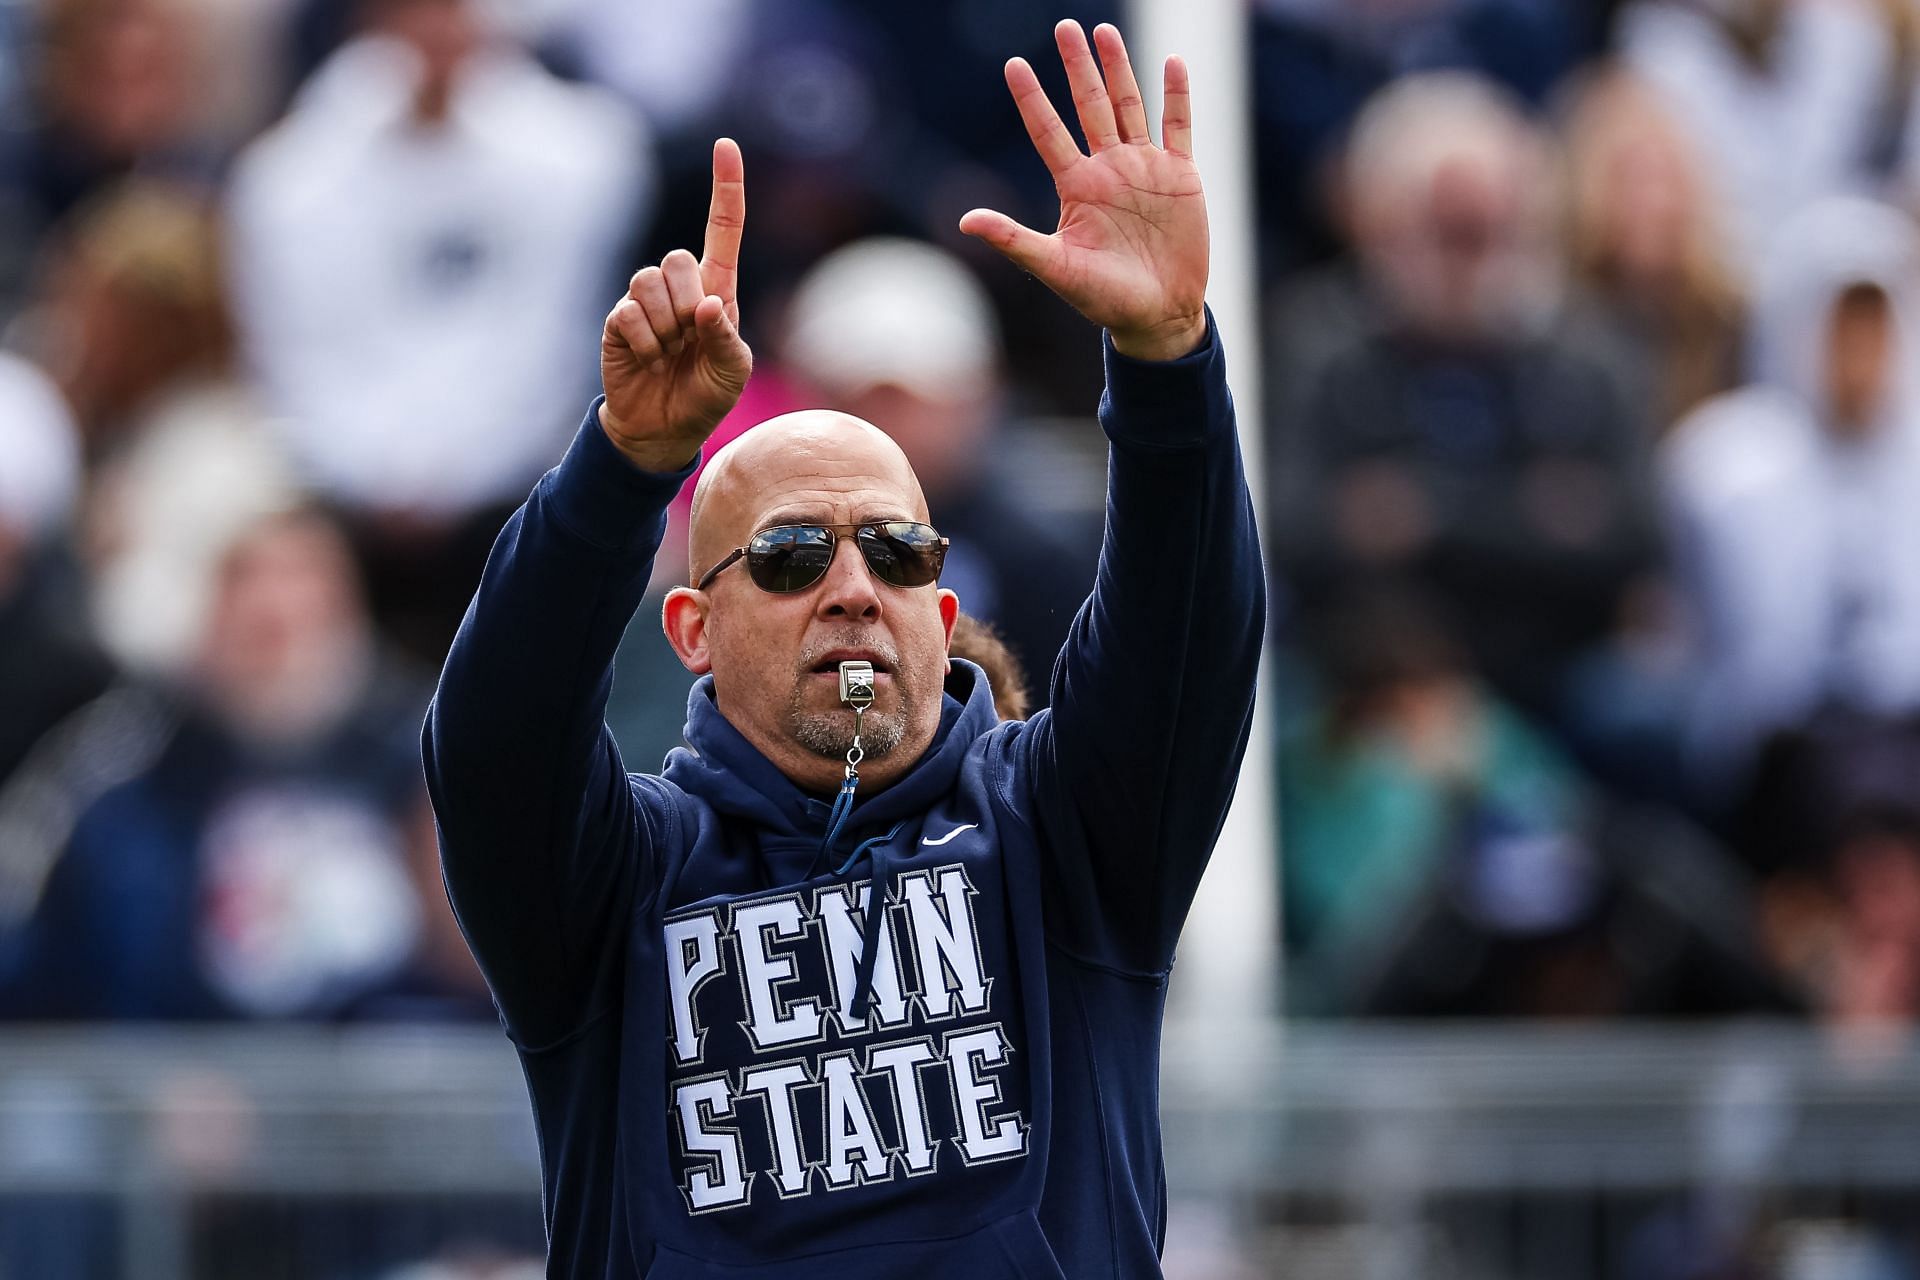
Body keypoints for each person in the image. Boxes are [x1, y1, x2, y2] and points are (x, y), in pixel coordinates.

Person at [423, 19, 1261, 1277]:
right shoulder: (619, 883)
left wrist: (1165, 363)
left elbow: (1187, 633)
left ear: (940, 603)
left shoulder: (1063, 835)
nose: (855, 588)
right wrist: (621, 469)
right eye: (791, 555)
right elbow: (493, 738)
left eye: (899, 552)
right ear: (693, 629)